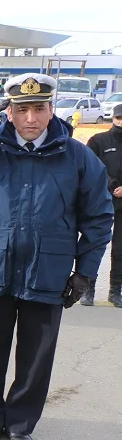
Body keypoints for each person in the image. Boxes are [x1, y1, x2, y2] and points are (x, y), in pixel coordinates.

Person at [0, 73, 113, 440]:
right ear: (9, 113)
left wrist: (85, 271)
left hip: (47, 271)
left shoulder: (78, 156)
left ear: (52, 110)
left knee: (36, 356)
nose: (31, 118)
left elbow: (98, 218)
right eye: (21, 109)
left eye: (39, 108)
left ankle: (20, 424)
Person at [86, 103, 122, 307]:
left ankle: (115, 290)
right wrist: (113, 185)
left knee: (120, 249)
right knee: (95, 243)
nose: (121, 122)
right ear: (113, 118)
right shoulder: (98, 140)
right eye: (119, 118)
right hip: (101, 200)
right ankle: (87, 289)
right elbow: (92, 167)